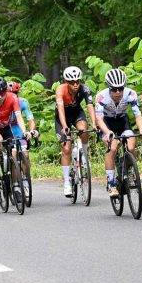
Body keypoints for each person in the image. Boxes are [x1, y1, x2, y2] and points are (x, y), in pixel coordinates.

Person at [95, 68, 142, 197]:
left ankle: (128, 169)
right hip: (106, 123)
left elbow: (138, 115)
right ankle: (111, 182)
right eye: (114, 89)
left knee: (131, 146)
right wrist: (107, 132)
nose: (118, 92)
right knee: (112, 148)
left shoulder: (131, 94)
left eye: (120, 89)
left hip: (122, 121)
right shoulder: (101, 97)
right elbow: (99, 119)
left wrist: (141, 129)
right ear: (109, 88)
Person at [55, 66, 96, 197]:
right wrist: (64, 126)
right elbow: (60, 109)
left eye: (77, 81)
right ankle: (67, 182)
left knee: (83, 129)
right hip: (62, 117)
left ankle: (84, 154)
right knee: (66, 148)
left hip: (77, 113)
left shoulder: (85, 89)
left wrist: (94, 124)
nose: (75, 84)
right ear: (66, 82)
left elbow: (90, 106)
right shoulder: (60, 90)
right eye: (72, 82)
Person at [0, 77, 29, 185]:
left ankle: (14, 183)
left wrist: (24, 132)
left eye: (2, 93)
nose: (0, 97)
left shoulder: (13, 98)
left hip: (6, 127)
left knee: (14, 153)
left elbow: (19, 117)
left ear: (6, 91)